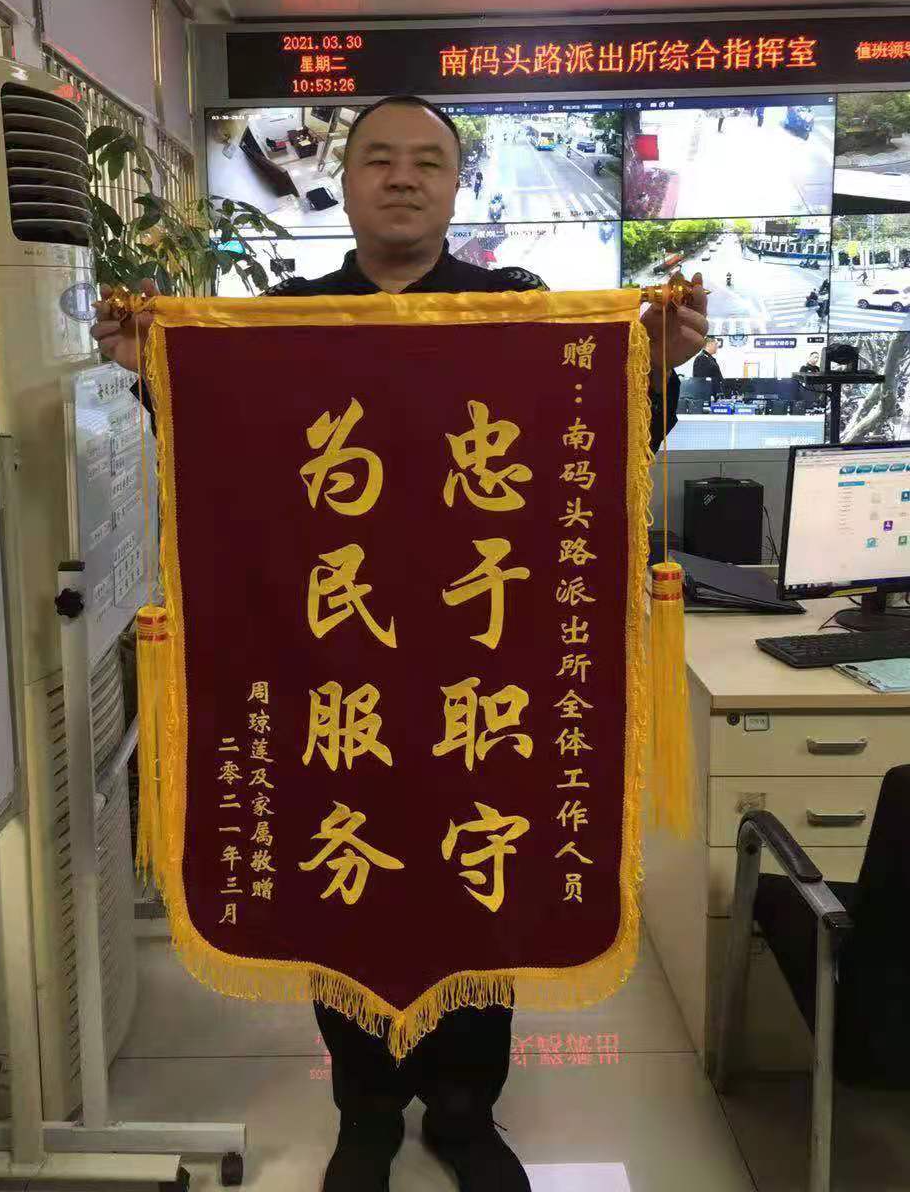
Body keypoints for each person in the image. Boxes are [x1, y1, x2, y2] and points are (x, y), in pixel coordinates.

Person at [90, 96, 709, 1192]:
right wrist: (154, 370)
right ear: (346, 182)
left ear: (457, 187)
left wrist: (655, 363)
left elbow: (602, 447)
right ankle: (366, 1110)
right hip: (340, 657)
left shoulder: (517, 310)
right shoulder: (286, 320)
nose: (403, 177)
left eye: (428, 161)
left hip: (482, 653)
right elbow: (224, 453)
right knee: (348, 872)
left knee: (482, 867)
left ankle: (467, 1113)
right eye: (379, 158)